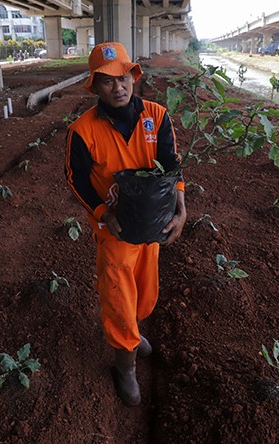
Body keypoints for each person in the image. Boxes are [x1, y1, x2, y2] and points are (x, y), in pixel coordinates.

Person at [64, 42, 186, 406]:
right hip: (114, 230)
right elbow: (76, 179)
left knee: (144, 293)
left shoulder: (157, 116)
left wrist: (181, 209)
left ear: (134, 77)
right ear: (95, 86)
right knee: (118, 296)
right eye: (107, 81)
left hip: (151, 226)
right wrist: (104, 213)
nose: (118, 87)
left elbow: (171, 163)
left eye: (123, 78)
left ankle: (133, 332)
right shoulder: (82, 131)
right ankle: (125, 365)